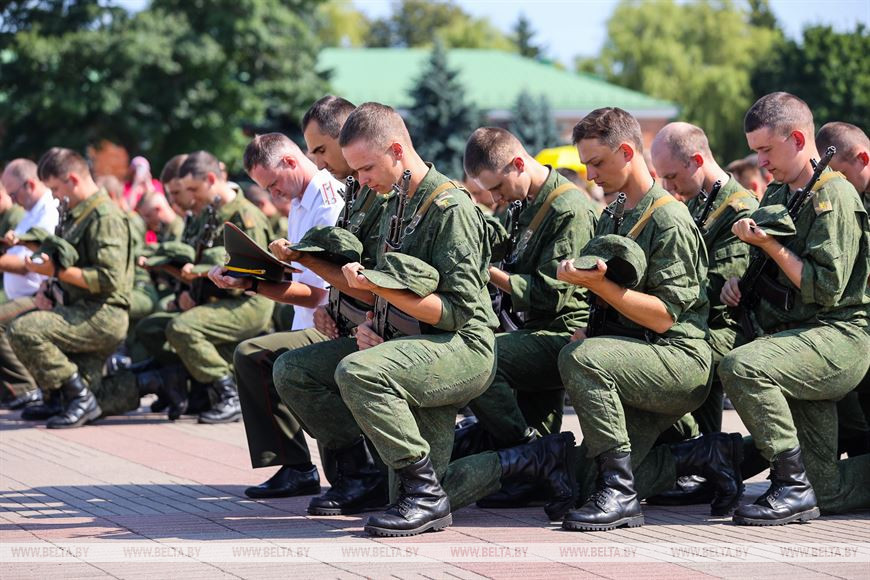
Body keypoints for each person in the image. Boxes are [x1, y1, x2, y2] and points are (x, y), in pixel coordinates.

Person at [271, 102, 575, 537]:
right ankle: (525, 460)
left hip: (462, 350)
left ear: (397, 150)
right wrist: (370, 315)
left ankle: (436, 490)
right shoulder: (395, 201)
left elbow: (458, 313)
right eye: (355, 171)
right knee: (294, 369)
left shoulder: (450, 209)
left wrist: (382, 294)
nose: (359, 180)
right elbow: (380, 284)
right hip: (410, 343)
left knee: (360, 373)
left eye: (366, 168)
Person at [555, 108, 740, 531]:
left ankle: (621, 496)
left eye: (597, 162)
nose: (590, 173)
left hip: (679, 359)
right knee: (585, 483)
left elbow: (663, 319)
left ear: (626, 152)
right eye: (585, 164)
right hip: (640, 354)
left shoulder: (668, 219)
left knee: (583, 359)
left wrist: (602, 289)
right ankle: (705, 456)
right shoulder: (615, 213)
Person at [718, 93, 870, 525]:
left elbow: (825, 289)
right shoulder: (777, 195)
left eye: (766, 149)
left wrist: (768, 243)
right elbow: (767, 270)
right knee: (829, 489)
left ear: (798, 138)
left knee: (743, 367)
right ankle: (806, 486)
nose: (760, 160)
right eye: (756, 150)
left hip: (837, 337)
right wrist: (737, 284)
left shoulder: (833, 195)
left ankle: (790, 484)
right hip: (796, 339)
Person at [453, 127, 598, 508]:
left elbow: (552, 293)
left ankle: (531, 456)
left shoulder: (569, 209)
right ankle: (530, 465)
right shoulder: (526, 202)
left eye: (498, 188)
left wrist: (488, 271)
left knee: (478, 363)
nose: (496, 199)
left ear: (518, 163)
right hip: (533, 329)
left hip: (566, 331)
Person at [207, 128, 346, 498]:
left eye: (273, 185)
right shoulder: (302, 202)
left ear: (289, 160)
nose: (273, 195)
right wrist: (249, 274)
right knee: (259, 356)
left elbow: (320, 293)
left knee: (253, 356)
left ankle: (297, 467)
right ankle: (297, 466)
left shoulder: (327, 200)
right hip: (312, 320)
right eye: (266, 189)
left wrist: (252, 285)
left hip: (335, 325)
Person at [647, 122, 759, 503]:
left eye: (673, 176)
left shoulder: (738, 210)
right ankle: (703, 460)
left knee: (668, 362)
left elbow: (715, 287)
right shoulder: (697, 201)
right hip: (698, 324)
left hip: (733, 329)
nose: (670, 187)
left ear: (697, 161)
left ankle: (703, 459)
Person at [6, 147, 134, 428]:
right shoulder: (77, 212)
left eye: (54, 188)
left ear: (73, 180)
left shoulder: (104, 216)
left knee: (23, 330)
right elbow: (67, 257)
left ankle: (80, 397)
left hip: (103, 314)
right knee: (96, 393)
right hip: (82, 309)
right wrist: (49, 285)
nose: (52, 196)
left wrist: (56, 271)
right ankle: (63, 396)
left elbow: (108, 279)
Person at [0, 160, 60, 409]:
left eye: (13, 193)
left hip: (41, 295)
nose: (13, 199)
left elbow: (32, 263)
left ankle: (27, 388)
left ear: (30, 184)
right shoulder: (31, 213)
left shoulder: (48, 213)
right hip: (25, 294)